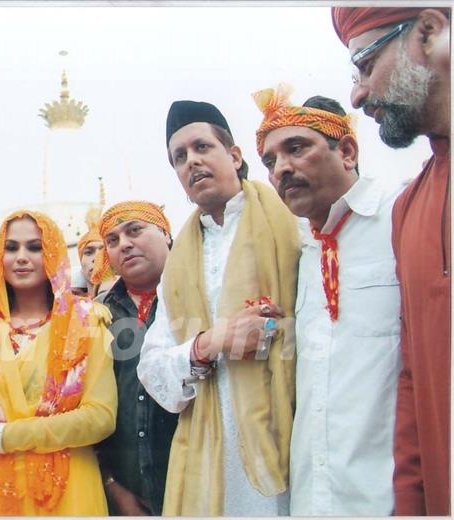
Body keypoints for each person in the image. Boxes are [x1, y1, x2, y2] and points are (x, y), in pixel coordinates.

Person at [137, 101, 299, 516]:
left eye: (202, 147)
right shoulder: (179, 262)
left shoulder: (293, 227)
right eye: (179, 157)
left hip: (292, 439)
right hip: (210, 458)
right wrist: (208, 344)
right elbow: (152, 367)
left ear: (235, 155)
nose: (192, 161)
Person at [254, 85, 403, 515]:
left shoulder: (401, 217)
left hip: (390, 498)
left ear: (348, 152)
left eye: (296, 148)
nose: (281, 169)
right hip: (312, 498)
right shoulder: (297, 250)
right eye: (270, 161)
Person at [332, 8, 450, 515]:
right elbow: (412, 381)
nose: (357, 94)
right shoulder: (411, 207)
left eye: (366, 63)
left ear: (428, 32)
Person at [0, 210, 116, 516]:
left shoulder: (86, 321)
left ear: (53, 252)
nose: (21, 257)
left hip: (73, 494)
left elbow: (100, 417)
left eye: (35, 247)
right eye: (11, 248)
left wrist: (5, 437)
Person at [91, 201, 178, 516]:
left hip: (194, 483)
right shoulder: (95, 314)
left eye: (135, 230)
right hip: (122, 493)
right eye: (112, 240)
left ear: (166, 234)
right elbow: (82, 405)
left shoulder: (197, 295)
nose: (124, 244)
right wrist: (113, 485)